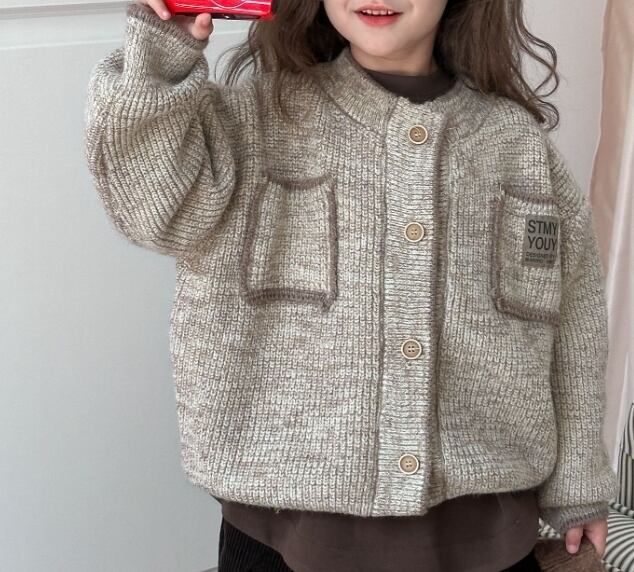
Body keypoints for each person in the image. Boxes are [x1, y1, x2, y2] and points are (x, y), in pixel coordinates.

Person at [84, 0, 619, 570]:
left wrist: (579, 482)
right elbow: (150, 207)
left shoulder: (519, 149)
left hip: (486, 539)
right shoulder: (251, 122)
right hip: (280, 536)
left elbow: (574, 322)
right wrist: (162, 50)